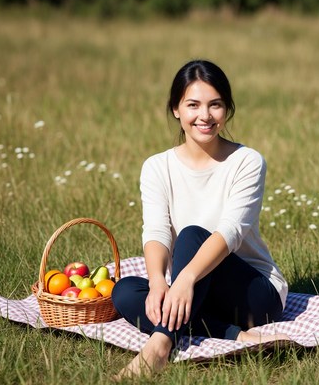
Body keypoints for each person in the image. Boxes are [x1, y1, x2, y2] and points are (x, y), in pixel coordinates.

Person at [111, 60, 289, 379]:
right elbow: (156, 230)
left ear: (227, 110)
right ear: (176, 109)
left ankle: (160, 345)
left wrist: (185, 279)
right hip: (194, 287)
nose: (204, 116)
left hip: (253, 293)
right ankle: (234, 335)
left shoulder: (246, 162)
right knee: (125, 292)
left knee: (194, 235)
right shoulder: (157, 167)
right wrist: (156, 283)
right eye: (193, 105)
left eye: (215, 105)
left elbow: (231, 232)